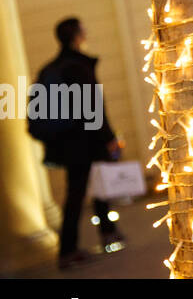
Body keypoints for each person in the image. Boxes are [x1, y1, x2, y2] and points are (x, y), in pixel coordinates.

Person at [28, 17, 126, 269]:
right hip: (83, 140)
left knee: (91, 185)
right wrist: (109, 138)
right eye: (82, 28)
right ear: (76, 35)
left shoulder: (54, 67)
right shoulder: (77, 66)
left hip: (69, 141)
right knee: (78, 192)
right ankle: (69, 250)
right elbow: (94, 107)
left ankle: (108, 232)